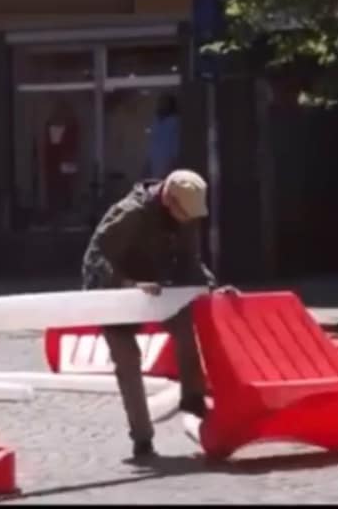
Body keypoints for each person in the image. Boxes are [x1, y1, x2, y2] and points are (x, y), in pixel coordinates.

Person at [81, 168, 234, 461]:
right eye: (184, 214)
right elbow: (96, 257)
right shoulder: (131, 213)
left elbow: (190, 261)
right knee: (128, 359)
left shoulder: (185, 212)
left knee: (187, 329)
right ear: (168, 200)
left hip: (157, 289)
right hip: (115, 290)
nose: (189, 220)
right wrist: (129, 286)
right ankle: (142, 439)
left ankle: (193, 400)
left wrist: (211, 287)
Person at [145, 94, 180, 179]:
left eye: (164, 103)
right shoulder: (156, 122)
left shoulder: (175, 122)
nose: (161, 105)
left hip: (168, 165)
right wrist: (148, 164)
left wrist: (173, 164)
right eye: (160, 103)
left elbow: (176, 145)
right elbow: (152, 143)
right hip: (155, 165)